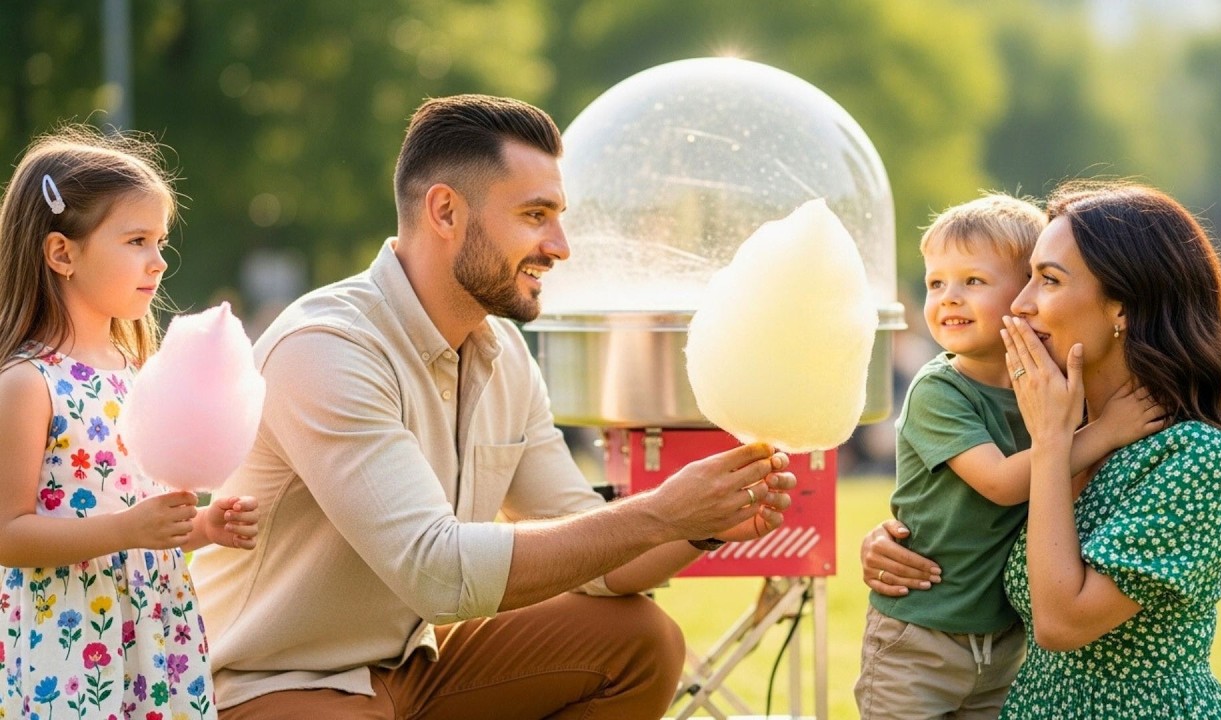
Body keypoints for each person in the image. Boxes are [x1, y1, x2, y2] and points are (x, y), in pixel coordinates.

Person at [189, 94, 798, 720]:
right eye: (535, 215)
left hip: (410, 666)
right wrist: (659, 510)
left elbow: (594, 557)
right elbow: (438, 574)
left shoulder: (504, 353)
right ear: (446, 211)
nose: (560, 246)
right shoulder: (326, 348)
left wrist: (695, 524)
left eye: (558, 217)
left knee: (640, 642)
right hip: (266, 684)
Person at [853, 193, 1163, 720]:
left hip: (1002, 643)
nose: (949, 298)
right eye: (935, 283)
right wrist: (1106, 432)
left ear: (1026, 293)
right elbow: (999, 482)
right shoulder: (939, 390)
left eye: (973, 281)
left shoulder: (1053, 385)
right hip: (920, 634)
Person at [0, 127, 261, 718]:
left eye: (160, 241)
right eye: (137, 240)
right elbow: (8, 534)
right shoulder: (28, 383)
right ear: (62, 253)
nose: (159, 260)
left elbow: (143, 519)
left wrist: (201, 525)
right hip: (71, 641)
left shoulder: (144, 370)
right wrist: (128, 530)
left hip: (155, 632)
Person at [996, 181, 1221, 718]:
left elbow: (1061, 623)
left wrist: (1051, 444)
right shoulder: (1060, 428)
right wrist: (901, 546)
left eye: (1049, 280)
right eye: (1028, 278)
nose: (1020, 305)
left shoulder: (1197, 457)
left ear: (1123, 307)